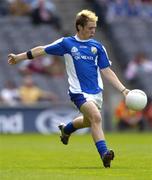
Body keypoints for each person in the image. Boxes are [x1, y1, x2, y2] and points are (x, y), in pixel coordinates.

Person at [8, 9, 129, 168]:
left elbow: (106, 70)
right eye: (90, 28)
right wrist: (19, 57)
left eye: (94, 28)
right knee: (96, 118)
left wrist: (124, 90)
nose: (93, 31)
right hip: (78, 92)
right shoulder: (67, 43)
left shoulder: (98, 47)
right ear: (79, 27)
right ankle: (105, 154)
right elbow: (42, 49)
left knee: (89, 121)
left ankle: (66, 129)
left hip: (96, 93)